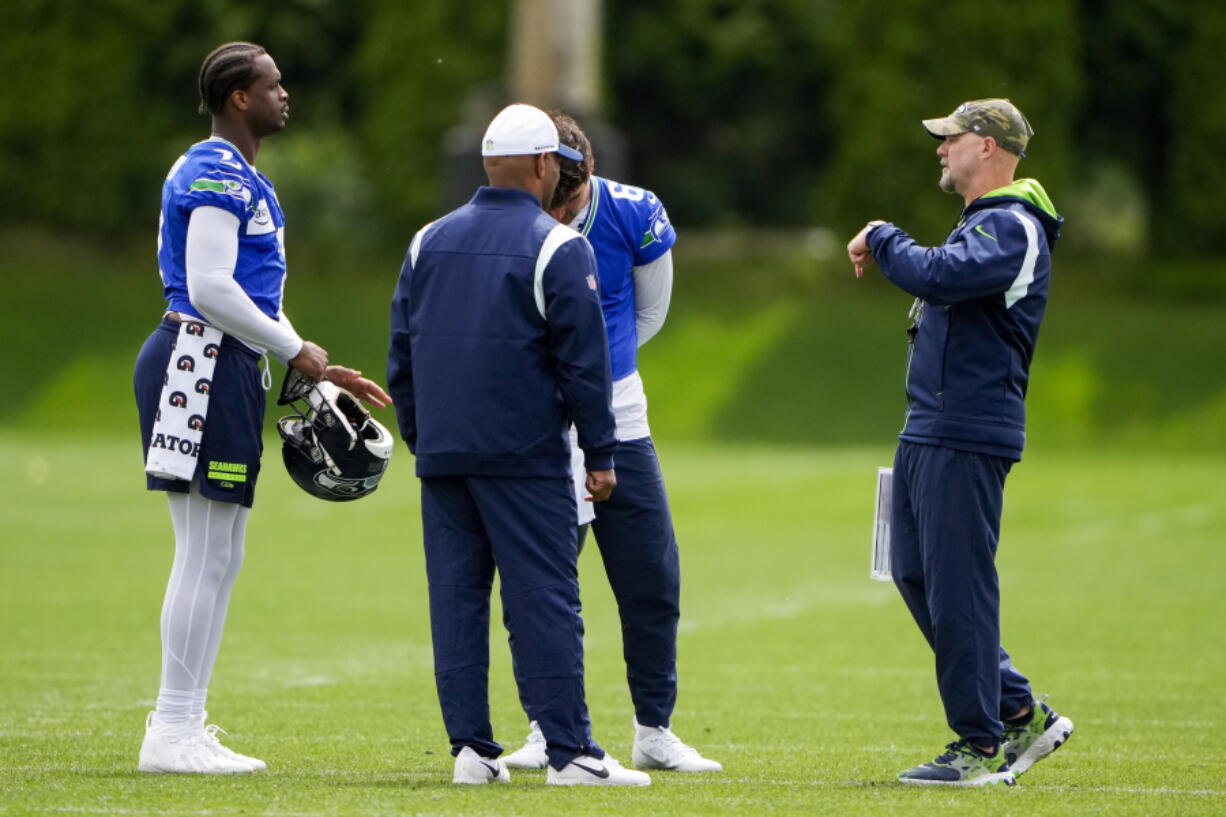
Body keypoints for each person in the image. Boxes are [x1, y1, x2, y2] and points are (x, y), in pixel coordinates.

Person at [133, 41, 389, 774]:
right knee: (204, 551)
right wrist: (296, 345)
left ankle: (184, 719)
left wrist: (302, 356)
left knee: (220, 553)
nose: (286, 95)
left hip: (219, 359)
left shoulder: (237, 173)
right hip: (198, 358)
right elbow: (210, 286)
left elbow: (242, 292)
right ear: (238, 97)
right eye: (274, 85)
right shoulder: (217, 171)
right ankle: (172, 727)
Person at [387, 103, 651, 787]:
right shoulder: (560, 246)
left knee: (457, 599)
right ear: (542, 165)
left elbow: (402, 356)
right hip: (524, 455)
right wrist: (601, 454)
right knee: (545, 597)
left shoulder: (426, 240)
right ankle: (570, 752)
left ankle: (472, 752)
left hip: (444, 456)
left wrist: (424, 438)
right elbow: (584, 368)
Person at [846, 98, 1074, 786]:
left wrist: (883, 234)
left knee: (959, 588)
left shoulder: (1013, 227)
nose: (941, 148)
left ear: (989, 146)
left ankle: (979, 744)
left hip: (967, 432)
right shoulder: (982, 224)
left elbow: (936, 274)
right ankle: (1019, 710)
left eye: (953, 137)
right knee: (914, 574)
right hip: (928, 429)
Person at [501, 113, 720, 774]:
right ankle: (546, 725)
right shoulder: (512, 223)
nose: (559, 216)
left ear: (586, 176)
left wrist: (594, 378)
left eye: (569, 203)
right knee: (540, 585)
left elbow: (649, 313)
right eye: (551, 202)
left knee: (653, 577)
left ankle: (654, 727)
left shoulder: (633, 213)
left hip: (620, 420)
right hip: (537, 425)